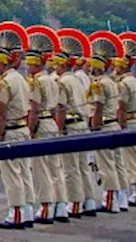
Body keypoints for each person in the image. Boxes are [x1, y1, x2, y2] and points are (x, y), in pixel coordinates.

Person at [0, 21, 33, 229]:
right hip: (23, 128)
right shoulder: (22, 79)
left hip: (12, 131)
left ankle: (16, 214)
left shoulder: (4, 82)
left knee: (13, 175)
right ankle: (27, 212)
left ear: (2, 62)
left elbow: (1, 115)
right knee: (24, 172)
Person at [26, 26, 70, 223]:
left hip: (42, 125)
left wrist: (30, 130)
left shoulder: (36, 82)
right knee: (56, 168)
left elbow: (34, 110)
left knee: (42, 169)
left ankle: (46, 208)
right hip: (52, 124)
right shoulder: (53, 80)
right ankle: (61, 206)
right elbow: (58, 108)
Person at [57, 28, 100, 216]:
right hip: (81, 124)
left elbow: (61, 109)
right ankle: (89, 202)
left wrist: (58, 132)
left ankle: (75, 203)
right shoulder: (76, 79)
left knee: (70, 168)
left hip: (70, 126)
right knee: (83, 166)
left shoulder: (62, 82)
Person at [87, 30, 127, 213]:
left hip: (105, 125)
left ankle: (110, 201)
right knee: (118, 164)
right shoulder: (112, 81)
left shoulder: (99, 84)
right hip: (115, 124)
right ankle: (121, 199)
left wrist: (95, 129)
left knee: (107, 166)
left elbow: (98, 108)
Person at [118, 33, 136, 207]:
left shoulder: (123, 84)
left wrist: (121, 125)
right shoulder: (134, 81)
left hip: (129, 121)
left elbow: (122, 107)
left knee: (130, 160)